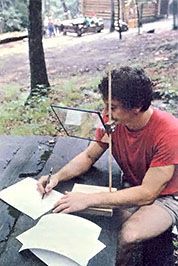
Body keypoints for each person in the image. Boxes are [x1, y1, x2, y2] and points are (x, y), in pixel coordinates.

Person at [37, 66, 178, 265]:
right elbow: (88, 156)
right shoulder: (113, 122)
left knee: (127, 235)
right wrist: (57, 177)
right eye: (105, 106)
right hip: (133, 185)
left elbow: (148, 193)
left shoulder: (169, 131)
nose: (105, 113)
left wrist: (89, 199)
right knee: (91, 223)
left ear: (136, 106)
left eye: (112, 107)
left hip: (166, 196)